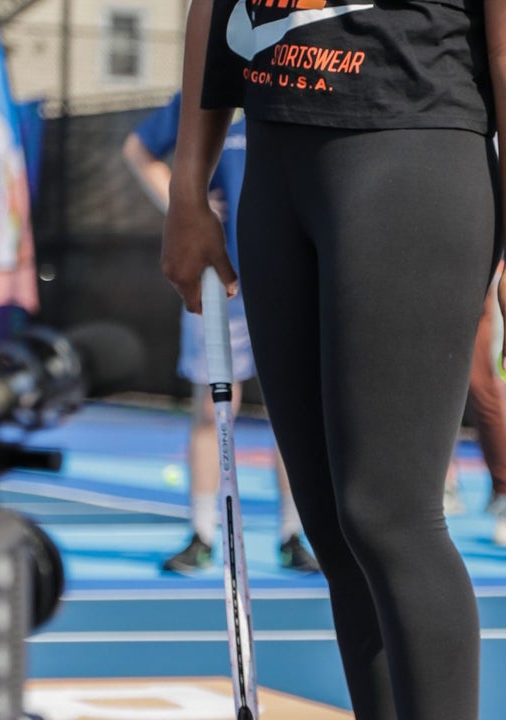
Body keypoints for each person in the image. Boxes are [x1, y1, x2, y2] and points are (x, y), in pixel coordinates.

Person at [162, 1, 506, 718]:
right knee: (333, 524)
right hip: (275, 165)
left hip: (408, 151)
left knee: (388, 515)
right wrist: (186, 187)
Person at [122, 93, 319, 575]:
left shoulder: (302, 75)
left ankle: (295, 533)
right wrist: (183, 204)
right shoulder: (210, 88)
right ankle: (204, 534)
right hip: (219, 277)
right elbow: (137, 149)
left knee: (292, 415)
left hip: (290, 272)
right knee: (213, 411)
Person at [443, 265, 506, 549]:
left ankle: (505, 493)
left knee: (487, 387)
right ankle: (443, 481)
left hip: (481, 273)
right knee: (429, 382)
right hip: (416, 268)